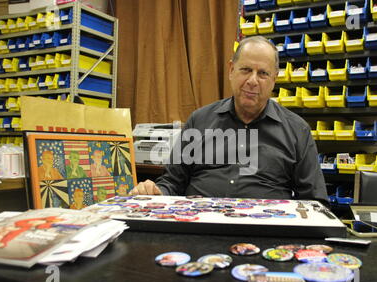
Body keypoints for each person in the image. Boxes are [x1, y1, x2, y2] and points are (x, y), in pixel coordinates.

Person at [128, 36, 328, 204]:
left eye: (263, 73)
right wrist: (154, 192)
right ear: (231, 70)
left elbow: (314, 201)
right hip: (200, 228)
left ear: (274, 79)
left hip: (266, 232)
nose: (252, 80)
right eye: (246, 70)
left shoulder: (297, 130)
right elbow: (173, 182)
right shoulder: (199, 121)